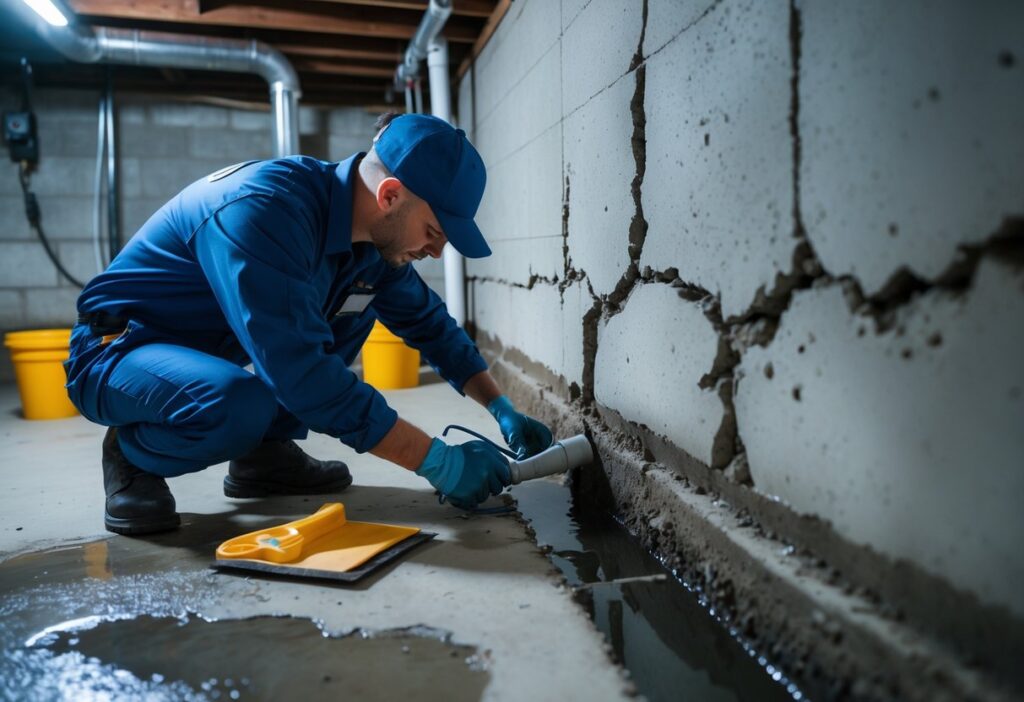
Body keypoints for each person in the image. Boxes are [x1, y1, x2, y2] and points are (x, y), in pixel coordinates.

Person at [65, 112, 553, 535]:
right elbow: (303, 374)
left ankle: (265, 457)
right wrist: (435, 461)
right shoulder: (266, 212)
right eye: (433, 232)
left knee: (354, 308)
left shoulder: (372, 249)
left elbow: (429, 324)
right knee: (236, 405)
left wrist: (501, 407)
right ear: (390, 195)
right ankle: (131, 454)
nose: (435, 251)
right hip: (121, 348)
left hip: (207, 351)